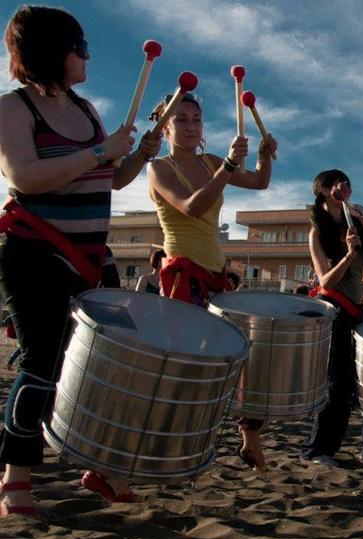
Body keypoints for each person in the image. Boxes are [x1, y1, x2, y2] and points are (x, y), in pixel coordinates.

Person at [0, 6, 162, 515]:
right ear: (52, 49)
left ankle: (99, 465)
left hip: (94, 257)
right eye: (80, 46)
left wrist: (137, 154)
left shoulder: (87, 110)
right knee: (41, 364)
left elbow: (109, 180)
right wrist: (100, 152)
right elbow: (25, 178)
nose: (87, 55)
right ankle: (15, 479)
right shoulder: (13, 108)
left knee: (101, 368)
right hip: (35, 252)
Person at [147, 90, 277, 472]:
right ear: (166, 125)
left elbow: (260, 182)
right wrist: (228, 168)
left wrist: (264, 154)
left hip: (217, 276)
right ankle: (154, 450)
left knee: (239, 360)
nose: (190, 126)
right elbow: (192, 207)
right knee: (185, 368)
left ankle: (250, 440)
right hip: (182, 274)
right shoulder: (159, 168)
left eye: (196, 119)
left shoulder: (211, 161)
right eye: (181, 119)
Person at [302, 169, 363, 465]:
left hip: (358, 310)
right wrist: (348, 255)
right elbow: (326, 281)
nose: (343, 186)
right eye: (336, 182)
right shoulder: (317, 231)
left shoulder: (355, 223)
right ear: (322, 189)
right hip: (334, 308)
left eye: (346, 183)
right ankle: (318, 450)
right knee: (339, 384)